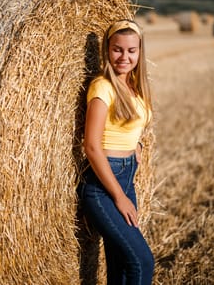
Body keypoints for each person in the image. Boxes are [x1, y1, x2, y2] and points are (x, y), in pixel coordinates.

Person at [78, 19, 154, 285]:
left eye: (131, 50)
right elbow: (91, 146)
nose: (124, 56)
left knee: (121, 266)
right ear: (107, 51)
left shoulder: (135, 88)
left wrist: (137, 144)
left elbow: (129, 126)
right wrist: (119, 196)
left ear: (140, 52)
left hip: (126, 177)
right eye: (117, 49)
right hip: (102, 185)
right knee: (141, 261)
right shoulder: (102, 87)